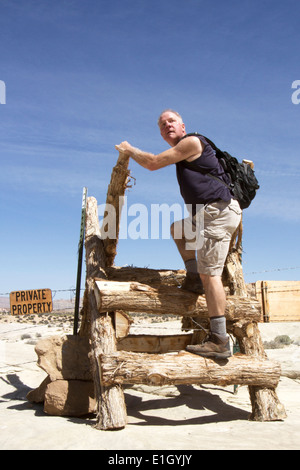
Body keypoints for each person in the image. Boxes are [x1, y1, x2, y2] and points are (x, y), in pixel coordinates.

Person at [115, 109, 242, 359]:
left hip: (216, 212)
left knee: (212, 275)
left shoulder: (191, 142)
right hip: (206, 216)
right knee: (178, 229)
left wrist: (129, 149)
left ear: (183, 126)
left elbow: (152, 162)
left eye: (171, 121)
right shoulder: (185, 151)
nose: (167, 126)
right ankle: (193, 276)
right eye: (162, 125)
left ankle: (219, 339)